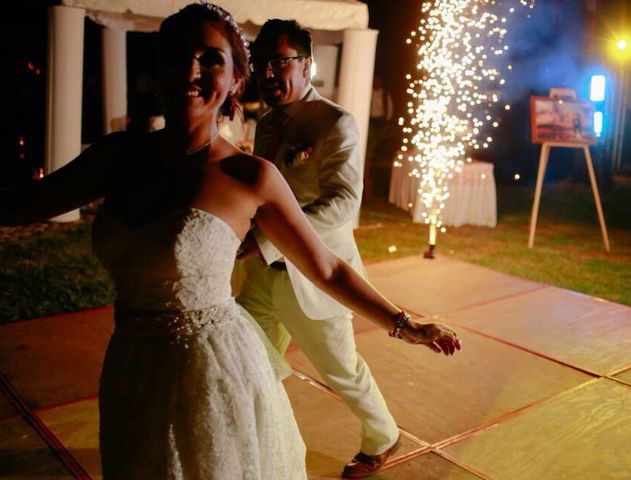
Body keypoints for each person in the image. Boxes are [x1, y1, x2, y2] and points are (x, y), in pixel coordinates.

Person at [1, 4, 461, 479]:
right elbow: (18, 206)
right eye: (177, 55)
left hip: (220, 360)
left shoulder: (257, 171)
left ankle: (379, 435)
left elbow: (328, 257)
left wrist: (406, 325)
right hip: (133, 365)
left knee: (336, 368)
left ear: (235, 80)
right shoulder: (118, 157)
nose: (190, 69)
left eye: (210, 58)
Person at [235, 20, 459, 478]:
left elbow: (341, 205)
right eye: (261, 63)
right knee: (248, 359)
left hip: (316, 273)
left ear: (307, 63)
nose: (269, 72)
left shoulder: (336, 122)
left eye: (281, 61)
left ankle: (383, 436)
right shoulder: (267, 122)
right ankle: (262, 439)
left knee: (341, 371)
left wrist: (265, 239)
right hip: (261, 273)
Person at [365, 72, 398, 199]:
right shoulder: (368, 93)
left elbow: (390, 108)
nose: (376, 83)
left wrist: (387, 121)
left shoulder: (385, 95)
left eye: (378, 81)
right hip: (370, 120)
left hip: (380, 122)